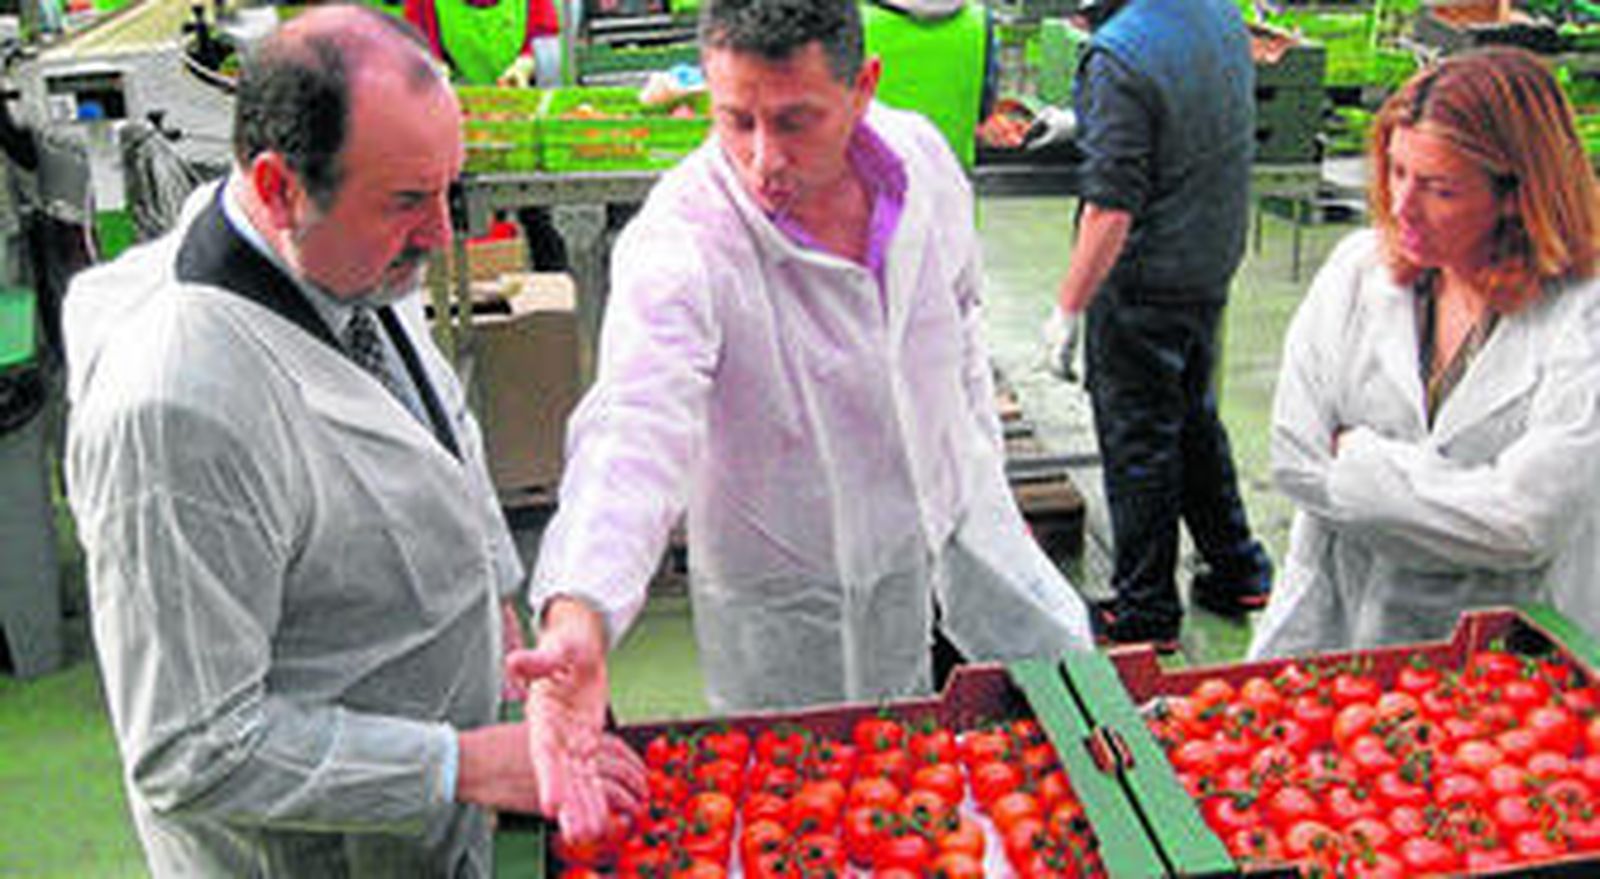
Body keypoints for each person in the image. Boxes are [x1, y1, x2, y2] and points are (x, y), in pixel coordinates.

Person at [61, 8, 643, 876]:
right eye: (410, 200)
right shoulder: (174, 408)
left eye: (448, 187)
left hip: (443, 796)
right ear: (278, 185)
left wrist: (502, 620)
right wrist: (463, 764)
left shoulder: (344, 254)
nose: (443, 234)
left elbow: (440, 430)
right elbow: (192, 746)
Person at [515, 0, 1092, 716]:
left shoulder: (922, 165)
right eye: (735, 119)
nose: (764, 159)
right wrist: (580, 609)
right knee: (811, 784)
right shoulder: (684, 239)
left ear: (864, 86)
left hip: (955, 527)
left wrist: (974, 462)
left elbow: (961, 317)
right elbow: (633, 426)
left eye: (795, 120)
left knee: (1021, 728)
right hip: (789, 590)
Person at [1250, 47, 1600, 658]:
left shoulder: (1581, 315)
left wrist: (1358, 459)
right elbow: (1297, 463)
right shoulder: (1356, 273)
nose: (1403, 206)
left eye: (1439, 189)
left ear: (1518, 194)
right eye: (1396, 171)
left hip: (1501, 670)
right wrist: (1460, 497)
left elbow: (1526, 523)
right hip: (1334, 630)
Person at [1054, 0, 1272, 652]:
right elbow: (1189, 121)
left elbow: (1110, 210)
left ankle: (1146, 610)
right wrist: (1086, 122)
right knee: (1194, 416)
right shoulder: (1217, 14)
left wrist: (1068, 306)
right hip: (1208, 260)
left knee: (1139, 438)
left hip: (1143, 281)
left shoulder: (1119, 52)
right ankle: (1238, 567)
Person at [403, 0, 562, 88]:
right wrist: (435, 71)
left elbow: (543, 40)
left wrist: (523, 67)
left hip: (519, 105)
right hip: (457, 108)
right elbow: (419, 46)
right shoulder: (422, 3)